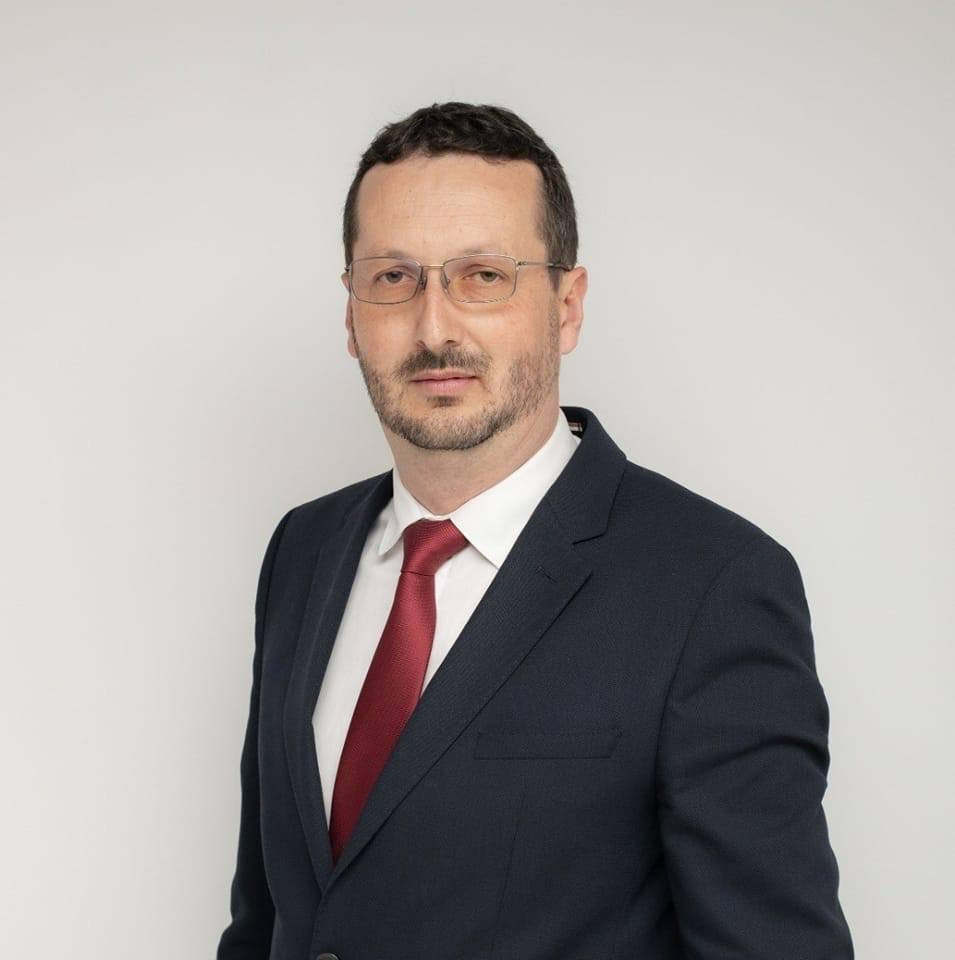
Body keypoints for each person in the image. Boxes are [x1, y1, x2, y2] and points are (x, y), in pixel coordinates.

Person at [217, 101, 854, 960]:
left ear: (566, 305)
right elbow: (268, 922)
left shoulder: (711, 586)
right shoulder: (304, 550)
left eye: (483, 276)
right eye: (394, 277)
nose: (434, 327)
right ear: (350, 313)